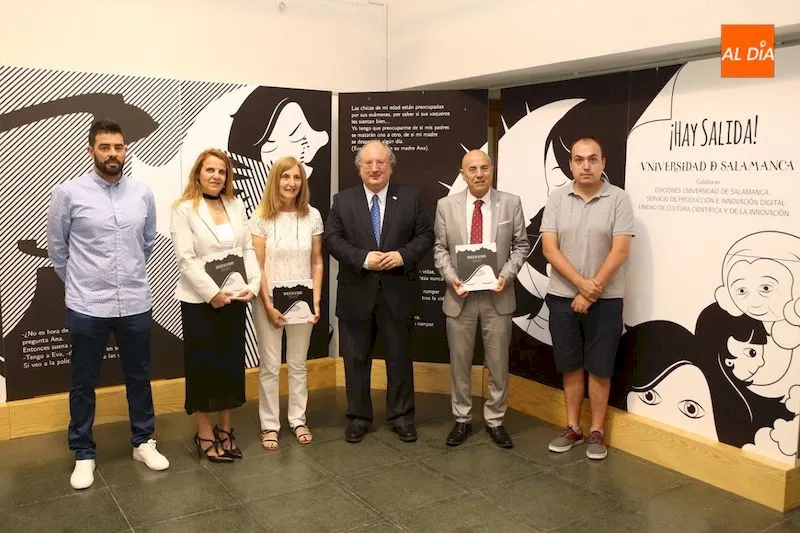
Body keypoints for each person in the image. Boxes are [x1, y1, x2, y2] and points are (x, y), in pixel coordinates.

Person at [47, 118, 170, 490]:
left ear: (125, 149)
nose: (112, 154)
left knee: (139, 377)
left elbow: (146, 243)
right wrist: (82, 283)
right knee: (83, 382)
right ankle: (83, 452)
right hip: (87, 305)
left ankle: (143, 442)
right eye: (104, 147)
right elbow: (58, 250)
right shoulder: (68, 193)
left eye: (118, 147)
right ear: (91, 150)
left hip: (134, 300)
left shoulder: (142, 193)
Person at [324, 140, 434, 443]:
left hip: (397, 294)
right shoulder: (342, 201)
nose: (374, 168)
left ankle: (401, 417)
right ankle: (358, 417)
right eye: (368, 163)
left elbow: (426, 236)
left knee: (399, 359)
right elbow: (332, 239)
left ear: (390, 167)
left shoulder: (410, 198)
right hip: (356, 294)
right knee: (355, 360)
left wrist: (401, 255)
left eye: (381, 162)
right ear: (359, 168)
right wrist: (363, 258)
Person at [540, 136, 634, 460]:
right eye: (579, 160)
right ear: (570, 164)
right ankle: (572, 427)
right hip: (563, 297)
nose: (586, 166)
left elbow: (620, 250)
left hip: (606, 300)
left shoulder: (618, 199)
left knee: (600, 367)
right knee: (570, 365)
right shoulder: (557, 198)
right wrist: (581, 285)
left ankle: (596, 431)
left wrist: (592, 291)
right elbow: (549, 249)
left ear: (603, 162)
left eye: (593, 159)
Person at [433, 150, 530, 448]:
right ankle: (462, 418)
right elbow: (439, 249)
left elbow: (521, 245)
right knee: (460, 362)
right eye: (472, 169)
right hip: (459, 296)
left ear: (492, 170)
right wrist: (452, 278)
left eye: (484, 168)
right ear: (462, 174)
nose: (479, 174)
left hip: (497, 296)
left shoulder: (511, 203)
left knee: (498, 363)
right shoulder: (445, 205)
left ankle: (495, 420)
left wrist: (506, 275)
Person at [170, 148, 260, 462]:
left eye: (222, 171)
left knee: (229, 365)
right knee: (203, 366)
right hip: (201, 302)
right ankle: (205, 433)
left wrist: (253, 286)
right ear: (198, 173)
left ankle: (225, 428)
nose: (216, 176)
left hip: (235, 298)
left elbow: (247, 250)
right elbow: (185, 259)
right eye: (210, 170)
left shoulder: (236, 205)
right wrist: (212, 293)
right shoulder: (184, 209)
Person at [250, 156, 324, 450]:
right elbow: (257, 266)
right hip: (268, 302)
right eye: (285, 177)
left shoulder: (312, 216)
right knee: (270, 366)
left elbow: (317, 261)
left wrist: (315, 300)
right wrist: (268, 305)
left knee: (297, 363)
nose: (291, 183)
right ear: (275, 180)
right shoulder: (260, 217)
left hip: (303, 302)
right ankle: (269, 425)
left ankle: (298, 419)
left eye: (296, 177)